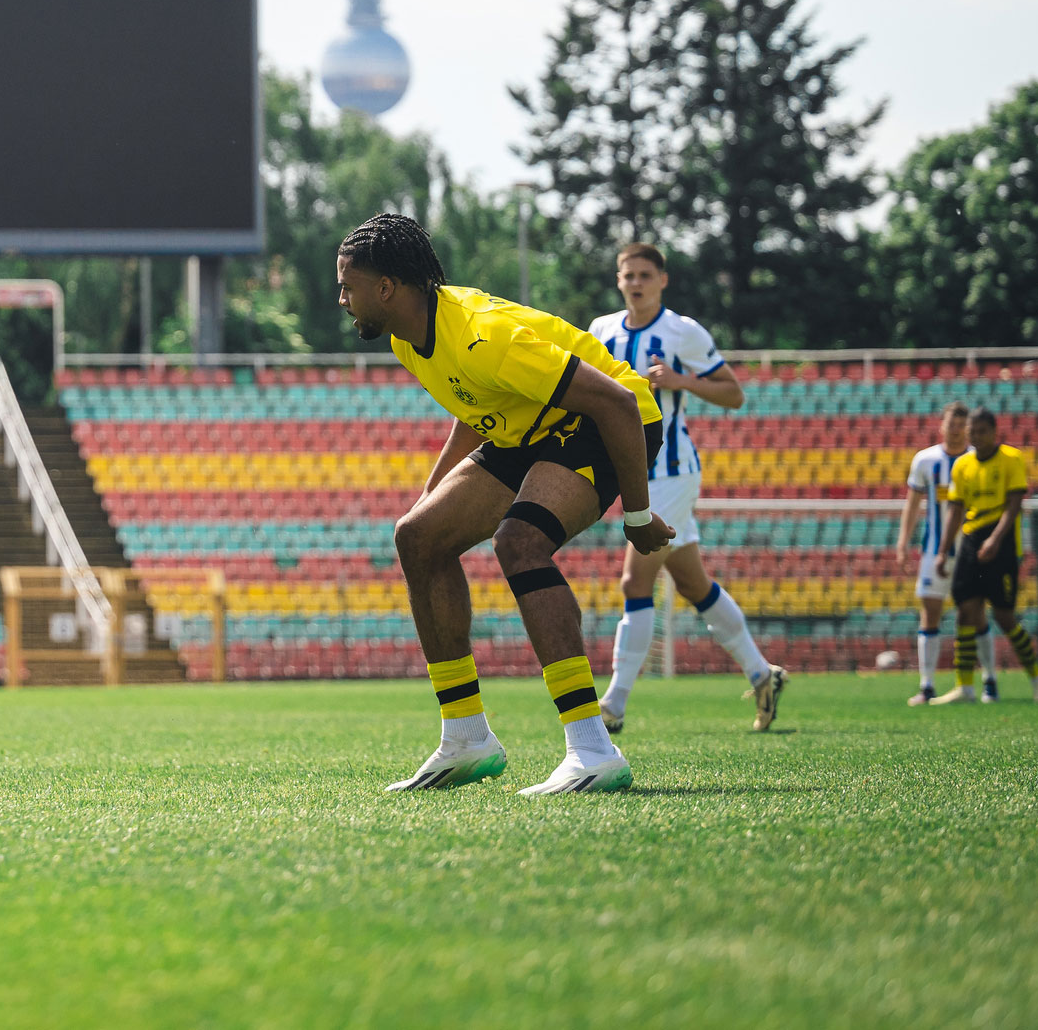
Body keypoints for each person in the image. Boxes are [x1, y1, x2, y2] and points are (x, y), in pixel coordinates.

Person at [335, 213, 673, 796]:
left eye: (347, 285)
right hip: (528, 428)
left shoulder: (484, 335)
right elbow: (476, 408)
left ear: (385, 288)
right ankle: (466, 737)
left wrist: (637, 518)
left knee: (519, 542)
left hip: (609, 422)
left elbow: (616, 403)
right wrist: (430, 500)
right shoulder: (406, 337)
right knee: (418, 537)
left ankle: (593, 748)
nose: (341, 298)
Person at [587, 243, 786, 733]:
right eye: (628, 274)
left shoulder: (682, 331)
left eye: (645, 275)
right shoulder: (601, 331)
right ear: (618, 280)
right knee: (694, 584)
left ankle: (612, 705)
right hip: (628, 471)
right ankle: (763, 673)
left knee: (635, 582)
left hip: (671, 471)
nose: (636, 282)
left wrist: (682, 380)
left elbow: (733, 393)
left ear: (663, 280)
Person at [934, 407, 1038, 705]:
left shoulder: (1011, 458)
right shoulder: (962, 465)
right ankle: (965, 686)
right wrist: (943, 550)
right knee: (965, 611)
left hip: (1003, 543)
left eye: (981, 431)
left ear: (994, 431)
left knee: (1003, 616)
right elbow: (956, 509)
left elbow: (1014, 505)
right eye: (972, 432)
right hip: (972, 541)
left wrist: (996, 540)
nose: (975, 436)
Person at [898, 404, 998, 705]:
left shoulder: (976, 459)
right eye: (951, 423)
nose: (956, 429)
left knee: (975, 613)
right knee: (930, 613)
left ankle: (988, 681)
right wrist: (903, 542)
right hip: (933, 550)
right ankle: (927, 685)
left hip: (969, 551)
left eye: (961, 424)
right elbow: (913, 503)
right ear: (942, 425)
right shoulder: (926, 460)